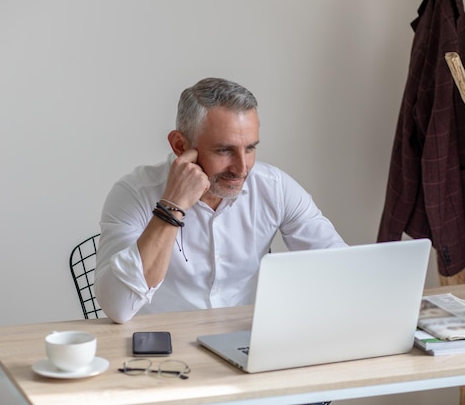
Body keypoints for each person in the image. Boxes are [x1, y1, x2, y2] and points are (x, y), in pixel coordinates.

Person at [94, 77, 346, 324]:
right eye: (224, 150)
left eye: (250, 148)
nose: (242, 168)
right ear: (180, 146)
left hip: (244, 343)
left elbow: (341, 270)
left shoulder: (274, 188)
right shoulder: (134, 193)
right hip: (163, 348)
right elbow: (118, 308)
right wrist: (172, 206)